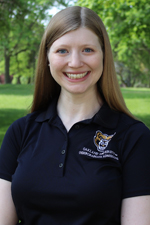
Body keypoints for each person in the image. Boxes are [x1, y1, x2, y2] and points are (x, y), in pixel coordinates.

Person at [0, 6, 150, 225]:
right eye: (62, 51)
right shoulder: (20, 132)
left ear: (104, 56)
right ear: (47, 58)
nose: (75, 62)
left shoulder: (134, 137)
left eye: (88, 50)